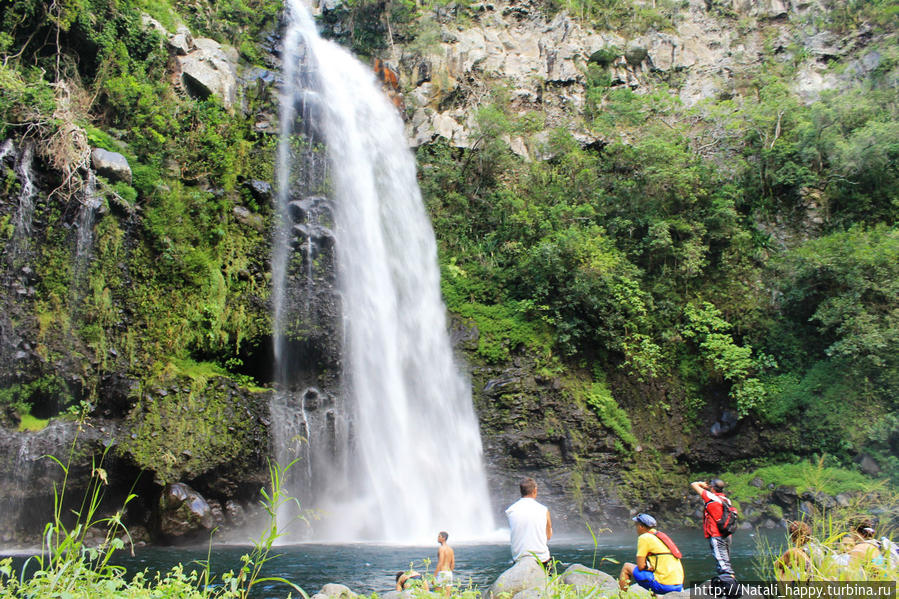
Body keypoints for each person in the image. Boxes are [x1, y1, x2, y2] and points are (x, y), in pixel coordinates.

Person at [618, 513, 685, 595]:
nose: (636, 529)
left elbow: (640, 566)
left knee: (627, 567)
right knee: (653, 574)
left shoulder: (644, 537)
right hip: (679, 585)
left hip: (664, 586)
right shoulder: (660, 537)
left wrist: (647, 567)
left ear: (641, 527)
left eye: (636, 526)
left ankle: (621, 596)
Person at [691, 478, 737, 578]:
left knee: (724, 566)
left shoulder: (711, 497)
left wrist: (702, 484)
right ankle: (727, 585)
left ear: (712, 488)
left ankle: (730, 588)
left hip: (717, 534)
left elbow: (694, 484)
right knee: (725, 561)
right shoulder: (726, 499)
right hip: (727, 534)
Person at [505, 476, 553, 567]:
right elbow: (549, 535)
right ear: (535, 491)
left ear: (521, 491)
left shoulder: (510, 510)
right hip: (542, 559)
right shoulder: (543, 510)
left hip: (520, 559)